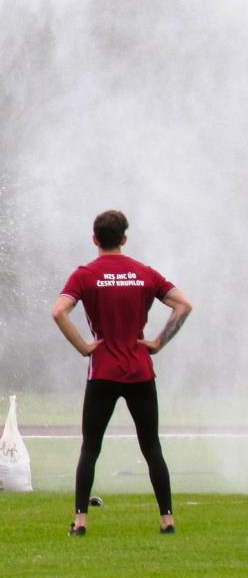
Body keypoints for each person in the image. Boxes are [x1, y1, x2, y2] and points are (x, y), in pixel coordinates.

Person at [53, 209, 192, 537]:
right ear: (124, 239)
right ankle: (167, 519)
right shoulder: (144, 273)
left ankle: (81, 521)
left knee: (91, 447)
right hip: (140, 371)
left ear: (95, 239)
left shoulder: (85, 275)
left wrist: (84, 347)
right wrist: (158, 341)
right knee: (151, 447)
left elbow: (59, 311)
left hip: (103, 371)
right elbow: (183, 305)